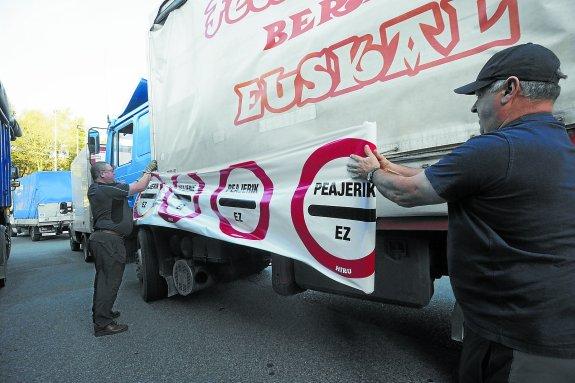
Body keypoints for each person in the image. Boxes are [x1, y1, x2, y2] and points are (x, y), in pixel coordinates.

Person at [347, 43, 575, 382]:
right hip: (547, 324)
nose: (474, 107)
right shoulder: (552, 143)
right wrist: (390, 165)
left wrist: (371, 173)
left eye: (479, 95)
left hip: (515, 338)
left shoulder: (497, 148)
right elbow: (443, 176)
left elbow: (406, 194)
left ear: (509, 89)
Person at [88, 160, 158, 337]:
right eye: (111, 171)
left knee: (103, 280)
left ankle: (103, 313)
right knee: (109, 282)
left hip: (105, 240)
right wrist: (148, 171)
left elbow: (126, 186)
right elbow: (140, 186)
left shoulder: (102, 188)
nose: (114, 173)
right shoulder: (104, 189)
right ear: (102, 174)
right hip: (108, 241)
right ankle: (103, 325)